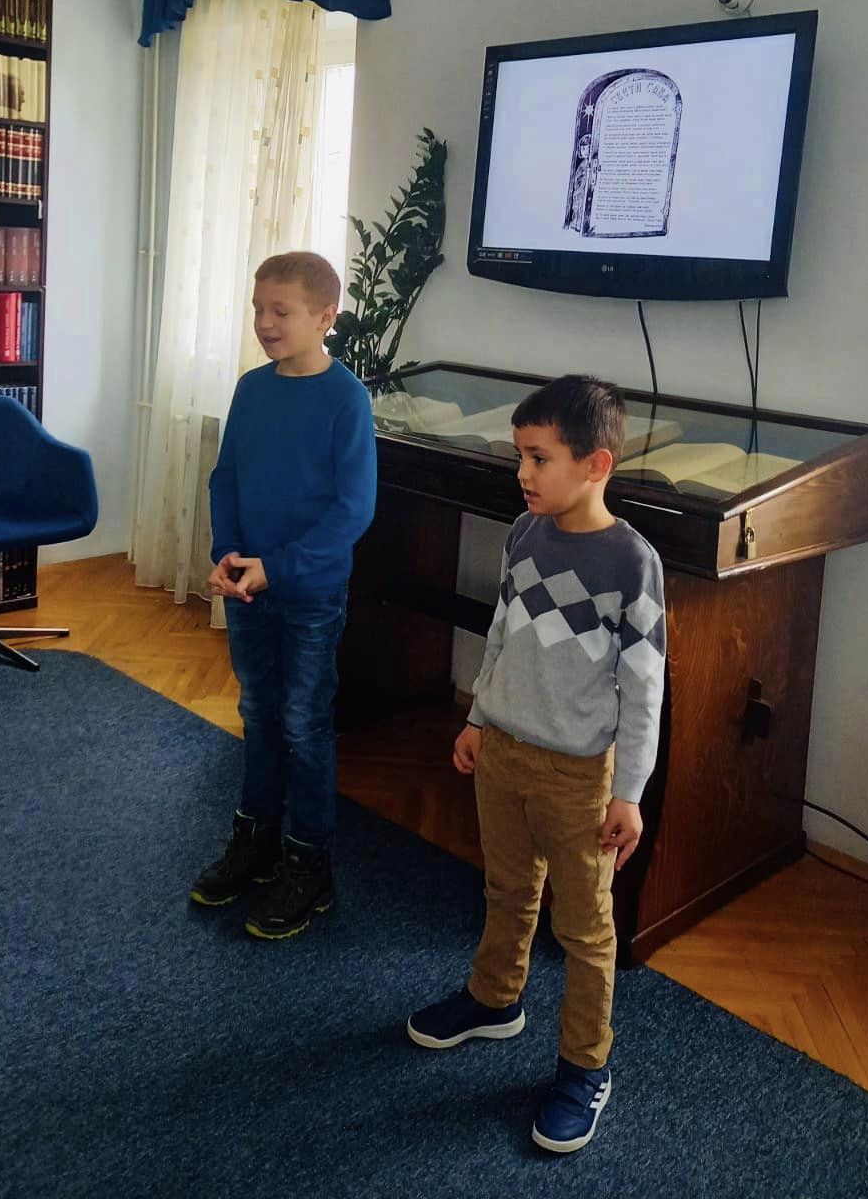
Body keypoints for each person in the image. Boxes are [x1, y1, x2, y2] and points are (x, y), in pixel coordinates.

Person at [406, 374, 666, 1155]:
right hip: (504, 754)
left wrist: (630, 792)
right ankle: (494, 998)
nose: (522, 472)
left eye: (539, 458)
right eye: (520, 455)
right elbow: (501, 634)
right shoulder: (525, 533)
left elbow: (644, 689)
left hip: (578, 778)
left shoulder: (632, 563)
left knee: (585, 930)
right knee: (508, 888)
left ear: (596, 464)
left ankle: (586, 1066)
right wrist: (479, 717)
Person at [189, 251, 377, 940]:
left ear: (325, 317)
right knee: (258, 714)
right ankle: (257, 841)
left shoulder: (346, 400)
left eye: (281, 311)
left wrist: (281, 567)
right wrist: (228, 553)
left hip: (309, 594)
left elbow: (353, 511)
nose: (265, 323)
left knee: (303, 723)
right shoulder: (251, 388)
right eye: (257, 309)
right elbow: (227, 478)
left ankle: (309, 861)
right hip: (249, 587)